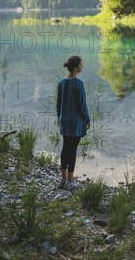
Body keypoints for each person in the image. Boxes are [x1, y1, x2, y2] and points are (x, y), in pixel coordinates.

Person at [56, 55, 90, 190]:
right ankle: (70, 181)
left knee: (65, 148)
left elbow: (58, 103)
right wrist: (87, 118)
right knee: (73, 149)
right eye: (81, 65)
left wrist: (59, 117)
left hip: (64, 119)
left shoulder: (61, 82)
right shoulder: (78, 83)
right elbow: (82, 105)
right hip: (76, 121)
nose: (83, 66)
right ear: (76, 68)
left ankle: (63, 180)